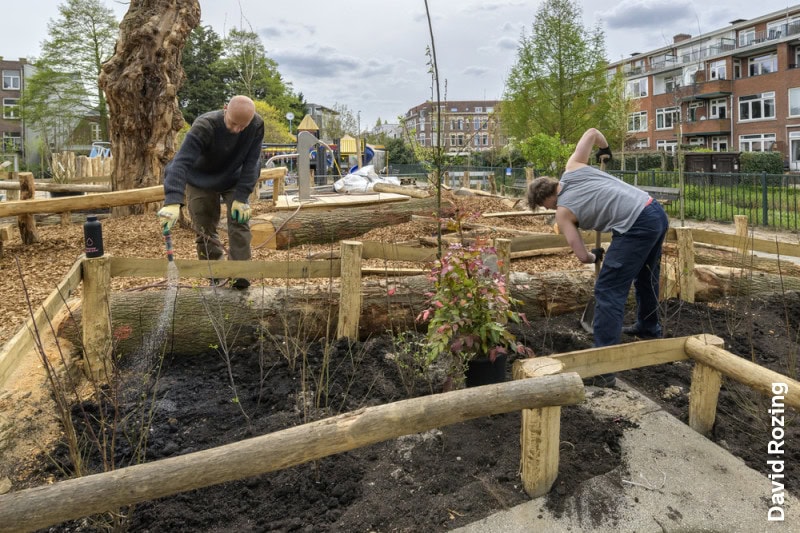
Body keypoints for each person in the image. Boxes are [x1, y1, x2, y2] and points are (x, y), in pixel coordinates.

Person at [526, 128, 669, 387]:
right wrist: (604, 149)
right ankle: (648, 327)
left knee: (608, 290)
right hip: (654, 211)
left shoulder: (562, 212)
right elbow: (592, 132)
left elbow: (581, 255)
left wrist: (594, 257)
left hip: (636, 225)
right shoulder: (573, 167)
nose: (548, 209)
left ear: (545, 198)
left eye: (544, 206)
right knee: (646, 277)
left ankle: (603, 369)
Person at [158, 95, 264, 290]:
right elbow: (181, 163)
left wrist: (242, 197)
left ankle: (240, 275)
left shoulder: (256, 125)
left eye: (243, 126)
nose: (237, 130)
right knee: (204, 227)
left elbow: (252, 162)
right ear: (225, 108)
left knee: (239, 222)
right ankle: (215, 274)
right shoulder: (205, 126)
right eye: (233, 123)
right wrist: (172, 200)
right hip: (199, 178)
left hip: (233, 177)